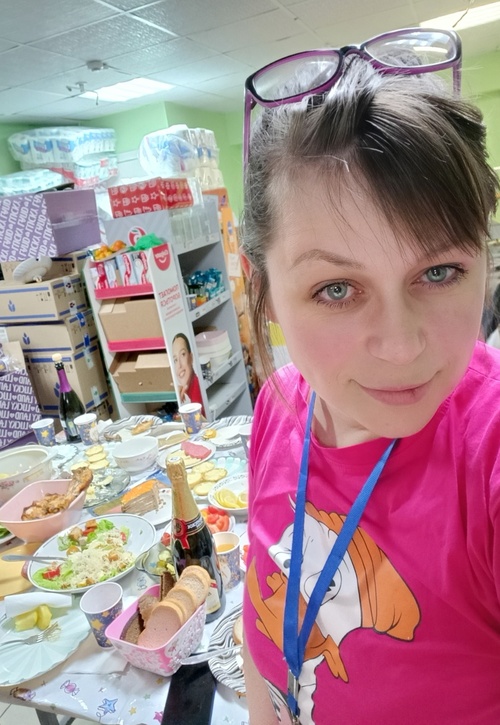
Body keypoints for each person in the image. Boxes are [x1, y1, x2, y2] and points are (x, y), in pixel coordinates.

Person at [239, 28, 500, 725]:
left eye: (438, 272)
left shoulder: (486, 456)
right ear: (264, 290)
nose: (401, 346)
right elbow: (264, 619)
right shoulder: (278, 407)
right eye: (336, 288)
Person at [171, 332, 204, 414]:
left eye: (182, 354)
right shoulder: (190, 387)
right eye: (175, 360)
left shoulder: (198, 388)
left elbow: (199, 420)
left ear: (191, 357)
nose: (179, 365)